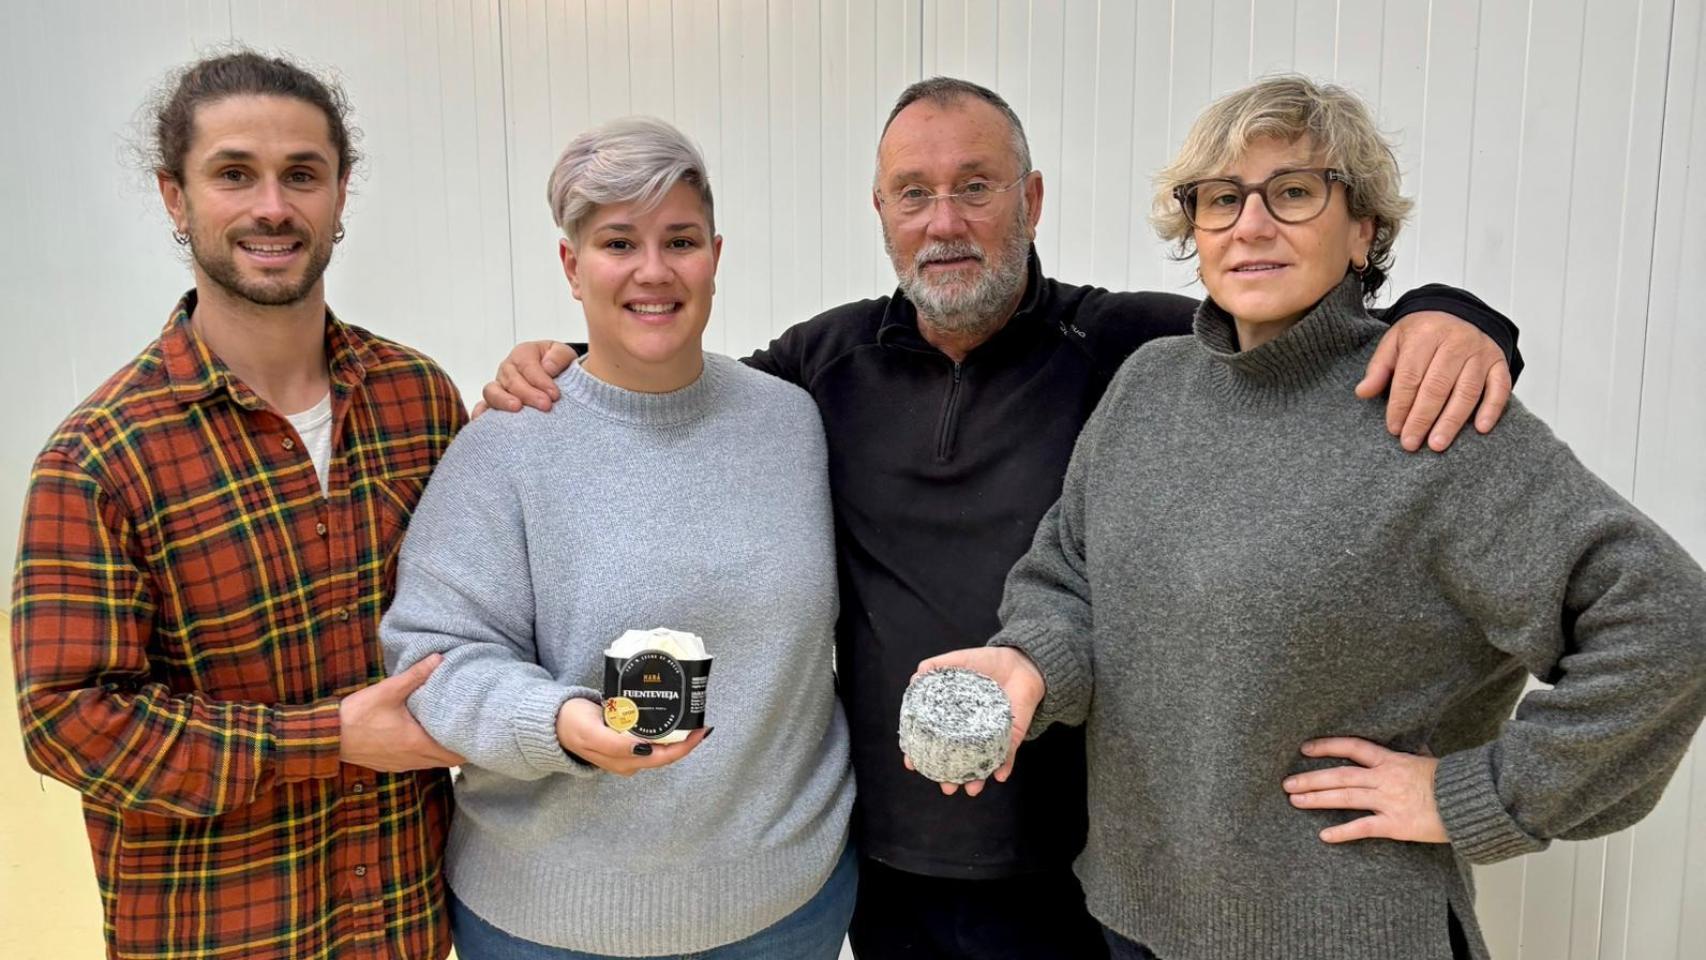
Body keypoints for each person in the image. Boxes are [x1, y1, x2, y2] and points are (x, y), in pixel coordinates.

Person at [484, 78, 1525, 959]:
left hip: (1085, 861)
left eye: (974, 188)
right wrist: (562, 367)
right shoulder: (818, 367)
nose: (944, 221)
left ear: (1028, 198)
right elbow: (672, 397)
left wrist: (1455, 317)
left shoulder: (1136, 353)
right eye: (913, 194)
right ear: (881, 213)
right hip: (882, 859)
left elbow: (1299, 334)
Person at [919, 75, 1706, 960]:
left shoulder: (1428, 412)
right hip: (1136, 916)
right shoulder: (1149, 387)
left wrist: (1474, 792)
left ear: (1362, 227)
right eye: (1221, 199)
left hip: (1341, 930)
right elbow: (1069, 575)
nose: (1251, 225)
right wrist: (1031, 662)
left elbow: (1669, 623)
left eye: (1293, 192)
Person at [10, 52, 465, 960]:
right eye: (233, 174)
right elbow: (67, 724)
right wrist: (328, 739)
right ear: (176, 199)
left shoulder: (420, 401)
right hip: (218, 932)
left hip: (411, 923)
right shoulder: (99, 455)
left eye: (302, 174)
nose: (272, 207)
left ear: (340, 194)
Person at [379, 116, 855, 960]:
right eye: (616, 242)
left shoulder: (791, 423)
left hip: (786, 909)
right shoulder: (507, 444)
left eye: (679, 239)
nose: (653, 271)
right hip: (550, 924)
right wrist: (556, 722)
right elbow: (433, 657)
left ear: (716, 252)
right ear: (571, 264)